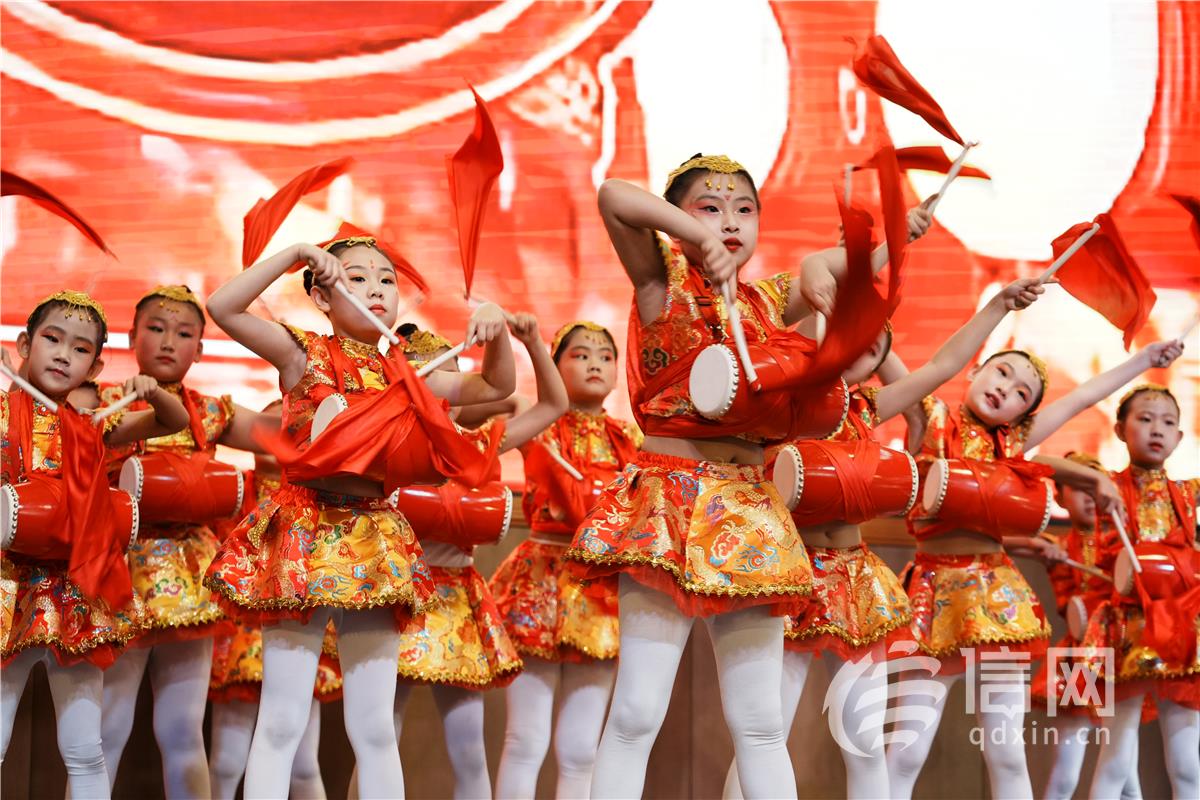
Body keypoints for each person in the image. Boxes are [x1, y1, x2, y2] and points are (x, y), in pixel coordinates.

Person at [565, 154, 932, 799]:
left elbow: (839, 269)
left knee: (760, 723)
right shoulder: (660, 282)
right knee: (637, 712)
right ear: (678, 219)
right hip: (668, 501)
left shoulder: (765, 301)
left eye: (743, 210)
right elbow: (612, 194)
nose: (729, 222)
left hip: (750, 508)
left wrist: (893, 242)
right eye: (709, 208)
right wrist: (696, 236)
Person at [203, 227, 514, 798]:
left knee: (373, 729)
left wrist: (495, 328)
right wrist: (296, 253)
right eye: (357, 277)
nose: (376, 288)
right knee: (282, 721)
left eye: (386, 279)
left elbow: (496, 385)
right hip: (303, 530)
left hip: (375, 534)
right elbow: (222, 307)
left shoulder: (412, 373)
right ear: (321, 295)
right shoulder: (301, 352)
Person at [724, 275, 1048, 799]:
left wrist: (997, 306)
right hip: (791, 578)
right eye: (853, 333)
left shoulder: (868, 409)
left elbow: (942, 365)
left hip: (854, 583)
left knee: (866, 743)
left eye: (875, 345)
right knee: (764, 733)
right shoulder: (782, 405)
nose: (862, 347)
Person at [885, 340, 1185, 800]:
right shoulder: (931, 418)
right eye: (1002, 373)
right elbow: (887, 358)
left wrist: (1146, 360)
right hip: (934, 600)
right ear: (975, 370)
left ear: (1023, 415)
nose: (1006, 389)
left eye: (1022, 393)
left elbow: (1082, 396)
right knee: (906, 751)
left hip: (1000, 604)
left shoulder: (1012, 444)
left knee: (1008, 753)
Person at [1, 291, 188, 799]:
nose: (64, 355)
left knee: (84, 748)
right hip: (6, 588)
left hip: (73, 590)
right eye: (52, 339)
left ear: (96, 367)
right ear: (24, 344)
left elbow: (173, 421)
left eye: (80, 349)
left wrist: (153, 391)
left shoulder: (91, 426)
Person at [90, 285, 274, 797]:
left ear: (200, 349)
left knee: (181, 729)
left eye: (184, 333)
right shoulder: (102, 403)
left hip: (193, 584)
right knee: (107, 725)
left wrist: (304, 377)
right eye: (156, 328)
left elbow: (280, 432)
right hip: (118, 574)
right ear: (131, 337)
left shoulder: (211, 412)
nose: (168, 340)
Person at [491, 321, 640, 799]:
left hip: (599, 589)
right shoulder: (539, 423)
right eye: (580, 354)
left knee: (580, 749)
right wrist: (529, 343)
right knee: (524, 739)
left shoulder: (632, 440)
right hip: (539, 579)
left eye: (605, 355)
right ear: (555, 367)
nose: (595, 363)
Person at [1082, 385, 1199, 800]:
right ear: (1119, 429)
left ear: (1180, 437)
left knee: (1187, 763)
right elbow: (1047, 464)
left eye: (1168, 422)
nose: (1157, 429)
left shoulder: (1188, 493)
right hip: (1127, 628)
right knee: (1116, 756)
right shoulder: (1107, 487)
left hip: (1180, 628)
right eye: (1145, 419)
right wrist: (1093, 479)